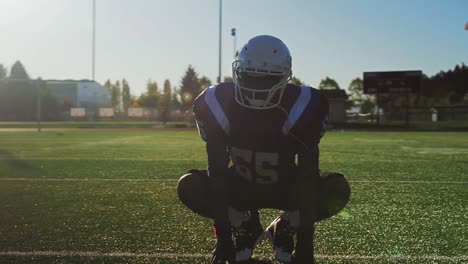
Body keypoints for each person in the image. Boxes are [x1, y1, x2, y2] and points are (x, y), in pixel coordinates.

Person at [177, 35, 350, 264]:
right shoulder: (218, 102)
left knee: (337, 189)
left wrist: (305, 244)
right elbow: (217, 173)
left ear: (286, 78)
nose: (256, 87)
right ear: (238, 72)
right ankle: (244, 224)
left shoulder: (302, 106)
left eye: (267, 79)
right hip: (240, 184)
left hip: (287, 185)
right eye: (249, 76)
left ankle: (285, 226)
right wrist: (224, 239)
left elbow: (307, 177)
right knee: (189, 186)